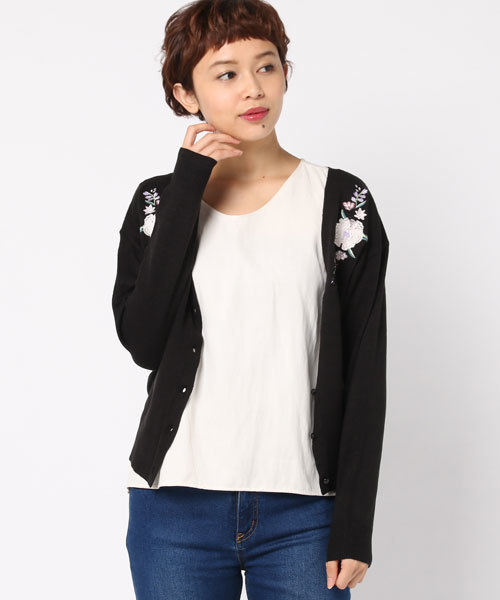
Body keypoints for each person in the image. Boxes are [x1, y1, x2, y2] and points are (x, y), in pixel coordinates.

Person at [111, 1, 390, 598]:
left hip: (305, 513)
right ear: (186, 95)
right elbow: (143, 341)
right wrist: (189, 183)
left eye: (266, 66)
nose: (253, 88)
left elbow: (366, 368)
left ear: (286, 73)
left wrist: (354, 523)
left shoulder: (342, 202)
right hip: (175, 507)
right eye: (227, 74)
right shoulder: (159, 202)